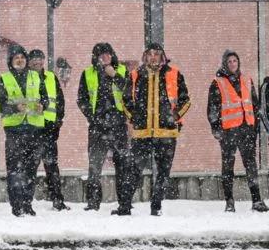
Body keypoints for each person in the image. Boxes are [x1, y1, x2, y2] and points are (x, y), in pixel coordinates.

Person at [125, 42, 190, 216]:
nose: (153, 56)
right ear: (145, 56)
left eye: (156, 53)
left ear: (162, 55)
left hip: (166, 133)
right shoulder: (135, 75)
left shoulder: (174, 74)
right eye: (150, 53)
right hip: (142, 132)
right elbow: (126, 101)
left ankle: (156, 206)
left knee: (163, 172)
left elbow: (186, 100)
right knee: (134, 170)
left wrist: (175, 116)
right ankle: (125, 206)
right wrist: (134, 117)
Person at [77, 42, 135, 215]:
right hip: (97, 127)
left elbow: (130, 94)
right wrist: (92, 117)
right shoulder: (88, 73)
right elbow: (82, 99)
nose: (105, 57)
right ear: (95, 57)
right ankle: (93, 203)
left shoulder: (123, 71)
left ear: (113, 55)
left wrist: (115, 75)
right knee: (94, 166)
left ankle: (124, 203)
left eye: (108, 54)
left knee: (123, 165)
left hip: (118, 126)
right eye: (101, 55)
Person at [208, 50, 267, 213]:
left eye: (235, 61)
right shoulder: (217, 83)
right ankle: (229, 201)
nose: (233, 64)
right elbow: (213, 108)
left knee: (251, 166)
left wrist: (254, 127)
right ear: (225, 64)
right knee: (228, 167)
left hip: (246, 130)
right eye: (230, 61)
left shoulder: (247, 80)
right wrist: (216, 128)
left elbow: (254, 105)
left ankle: (256, 200)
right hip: (228, 132)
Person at [0, 45, 48, 217]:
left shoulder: (36, 76)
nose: (20, 60)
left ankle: (27, 203)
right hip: (14, 131)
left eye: (22, 58)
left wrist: (43, 105)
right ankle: (16, 205)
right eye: (16, 58)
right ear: (11, 61)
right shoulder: (4, 79)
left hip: (34, 129)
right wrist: (14, 108)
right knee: (15, 169)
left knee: (31, 169)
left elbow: (45, 98)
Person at [27, 49, 70, 211]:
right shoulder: (26, 77)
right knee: (30, 166)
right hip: (32, 128)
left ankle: (57, 200)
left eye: (40, 58)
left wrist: (58, 122)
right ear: (29, 61)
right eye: (34, 59)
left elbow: (60, 101)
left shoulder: (51, 77)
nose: (38, 62)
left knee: (52, 167)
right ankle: (26, 201)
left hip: (49, 129)